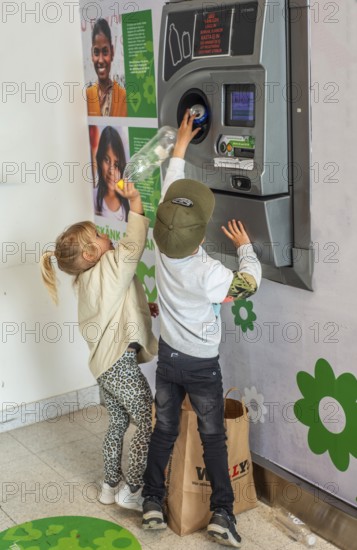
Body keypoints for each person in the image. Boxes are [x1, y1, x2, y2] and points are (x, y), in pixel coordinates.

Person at [141, 111, 262, 548]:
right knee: (213, 437)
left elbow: (170, 198)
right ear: (202, 235)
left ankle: (152, 501)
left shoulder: (160, 243)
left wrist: (179, 149)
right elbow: (247, 285)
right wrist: (246, 248)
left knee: (165, 430)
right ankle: (223, 514)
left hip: (169, 359)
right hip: (202, 368)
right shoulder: (209, 272)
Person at [40, 182, 158, 512]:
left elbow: (112, 309)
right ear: (92, 253)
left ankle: (109, 485)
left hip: (103, 369)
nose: (108, 237)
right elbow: (132, 245)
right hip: (120, 365)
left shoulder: (87, 280)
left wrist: (142, 307)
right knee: (147, 422)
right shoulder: (107, 266)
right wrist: (135, 204)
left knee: (118, 424)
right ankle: (133, 489)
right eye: (100, 236)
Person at [86, 18, 127, 117]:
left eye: (105, 52)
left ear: (112, 52)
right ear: (92, 54)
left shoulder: (123, 97)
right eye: (96, 52)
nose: (100, 60)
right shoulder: (87, 96)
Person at [93, 126, 130, 222]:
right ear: (100, 159)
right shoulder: (93, 197)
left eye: (116, 164)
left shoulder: (128, 201)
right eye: (106, 160)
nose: (111, 170)